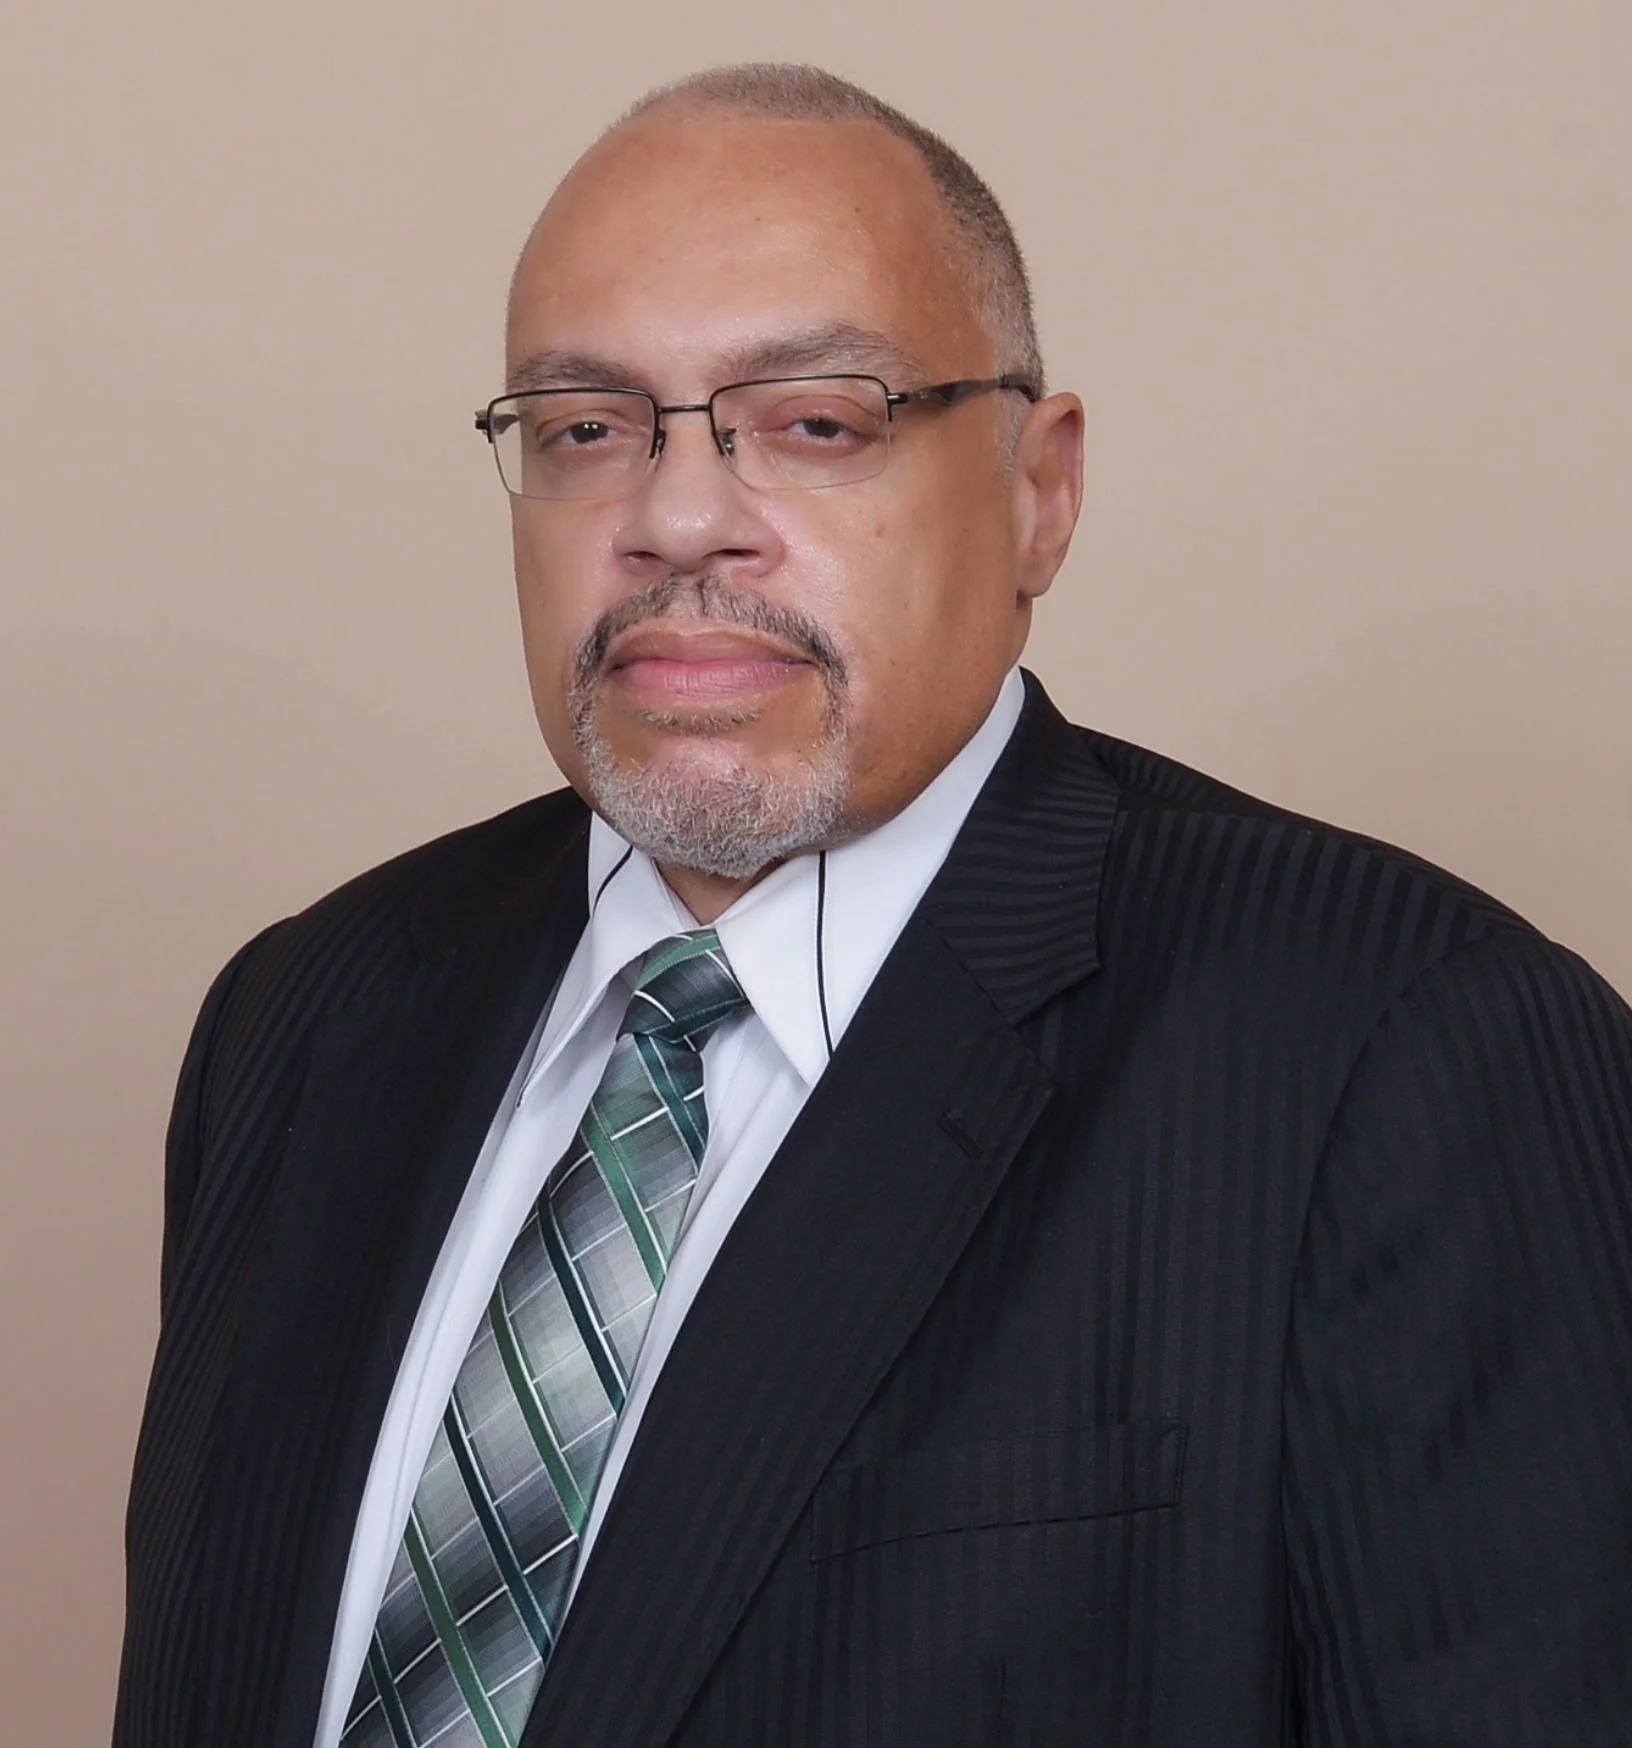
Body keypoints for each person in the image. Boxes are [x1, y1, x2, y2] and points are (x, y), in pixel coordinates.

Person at [114, 62, 1632, 1748]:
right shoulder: (309, 1016)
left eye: (818, 421)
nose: (677, 519)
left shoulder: (1405, 1045)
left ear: (1041, 492)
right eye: (586, 428)